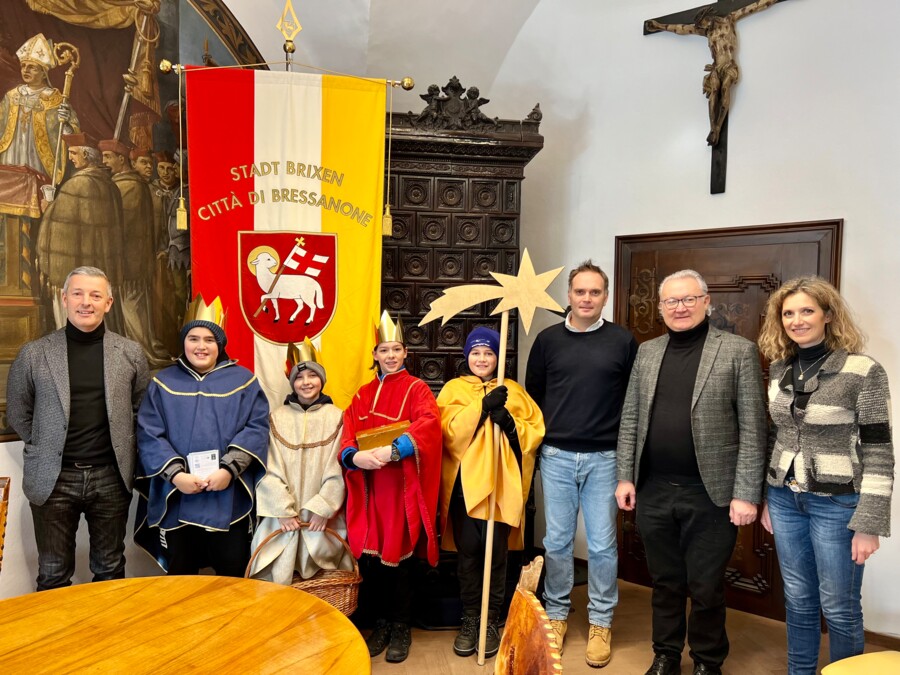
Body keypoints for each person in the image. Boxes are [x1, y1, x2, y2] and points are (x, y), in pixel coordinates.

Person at [615, 269, 767, 675]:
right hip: (653, 489)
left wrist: (747, 492)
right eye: (671, 301)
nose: (679, 307)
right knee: (664, 582)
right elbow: (630, 418)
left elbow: (754, 426)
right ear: (661, 308)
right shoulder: (647, 352)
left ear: (705, 302)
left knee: (705, 586)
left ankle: (707, 660)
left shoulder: (737, 351)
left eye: (688, 299)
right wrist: (626, 476)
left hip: (712, 494)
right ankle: (665, 655)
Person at [756, 276, 894, 675]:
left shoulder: (863, 370)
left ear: (828, 315)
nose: (797, 320)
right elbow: (778, 435)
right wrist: (768, 496)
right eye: (788, 313)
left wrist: (869, 524)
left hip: (838, 503)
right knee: (797, 599)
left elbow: (879, 449)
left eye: (807, 311)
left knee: (838, 604)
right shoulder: (780, 367)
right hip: (785, 499)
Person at [6, 266, 149, 590]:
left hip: (111, 479)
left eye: (96, 295)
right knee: (53, 574)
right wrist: (44, 443)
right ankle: (56, 642)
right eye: (79, 293)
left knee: (110, 569)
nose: (87, 302)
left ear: (108, 303)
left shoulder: (130, 353)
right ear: (64, 298)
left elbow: (143, 409)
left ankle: (106, 640)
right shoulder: (35, 353)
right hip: (54, 480)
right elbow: (17, 411)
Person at [525, 260, 637, 668]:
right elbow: (534, 394)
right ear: (568, 296)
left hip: (604, 459)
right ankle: (556, 613)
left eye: (594, 292)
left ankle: (601, 621)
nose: (586, 298)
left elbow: (633, 402)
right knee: (556, 541)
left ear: (604, 296)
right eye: (579, 291)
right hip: (555, 456)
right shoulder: (548, 339)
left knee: (604, 545)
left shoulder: (623, 342)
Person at [134, 295, 269, 576]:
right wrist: (176, 475)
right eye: (193, 338)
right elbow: (149, 434)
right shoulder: (163, 382)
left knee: (232, 575)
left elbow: (256, 427)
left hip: (227, 495)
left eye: (209, 339)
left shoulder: (244, 380)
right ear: (184, 342)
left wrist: (229, 470)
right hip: (178, 494)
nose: (201, 346)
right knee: (182, 578)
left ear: (220, 344)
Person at [339, 311, 441, 664]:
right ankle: (380, 623)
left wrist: (395, 449)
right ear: (375, 354)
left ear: (405, 353)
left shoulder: (417, 388)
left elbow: (429, 426)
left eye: (397, 349)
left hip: (400, 490)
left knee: (398, 562)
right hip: (369, 491)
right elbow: (347, 434)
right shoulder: (362, 394)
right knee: (372, 562)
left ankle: (401, 625)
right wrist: (355, 458)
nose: (392, 356)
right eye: (385, 350)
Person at [437, 327, 544, 658]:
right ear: (466, 356)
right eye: (476, 353)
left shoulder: (512, 390)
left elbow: (534, 432)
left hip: (501, 485)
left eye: (489, 353)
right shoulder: (454, 389)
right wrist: (481, 407)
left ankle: (490, 621)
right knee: (469, 553)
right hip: (465, 489)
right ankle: (470, 619)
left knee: (496, 555)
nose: (482, 359)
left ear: (498, 358)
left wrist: (507, 420)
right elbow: (446, 431)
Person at [249, 339, 352, 584]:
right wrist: (282, 510)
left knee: (324, 577)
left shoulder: (337, 417)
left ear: (322, 379)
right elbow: (268, 467)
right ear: (292, 382)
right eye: (299, 377)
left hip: (322, 521)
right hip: (281, 518)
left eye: (312, 376)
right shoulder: (276, 417)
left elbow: (337, 468)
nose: (306, 382)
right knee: (275, 574)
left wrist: (322, 509)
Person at [645, 0, 780, 146]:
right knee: (714, 91)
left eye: (703, 24)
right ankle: (713, 128)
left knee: (725, 88)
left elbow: (753, 7)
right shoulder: (707, 31)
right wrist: (659, 26)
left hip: (729, 65)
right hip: (716, 67)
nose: (702, 27)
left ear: (708, 18)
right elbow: (682, 28)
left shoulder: (729, 19)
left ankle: (719, 125)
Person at [36, 132, 124, 334]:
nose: (70, 158)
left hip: (73, 271)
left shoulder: (76, 185)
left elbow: (59, 227)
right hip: (100, 270)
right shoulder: (110, 186)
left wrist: (48, 207)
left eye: (74, 153)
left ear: (87, 155)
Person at [99, 138, 169, 367]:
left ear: (121, 159)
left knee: (133, 309)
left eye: (108, 157)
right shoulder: (127, 184)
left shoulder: (127, 186)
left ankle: (141, 355)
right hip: (131, 262)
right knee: (132, 309)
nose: (104, 162)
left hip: (131, 264)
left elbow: (123, 228)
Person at [0, 33, 78, 178]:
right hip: (11, 153)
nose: (26, 70)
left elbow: (71, 134)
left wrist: (66, 124)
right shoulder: (12, 95)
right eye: (23, 66)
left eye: (32, 67)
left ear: (43, 74)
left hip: (39, 158)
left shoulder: (56, 99)